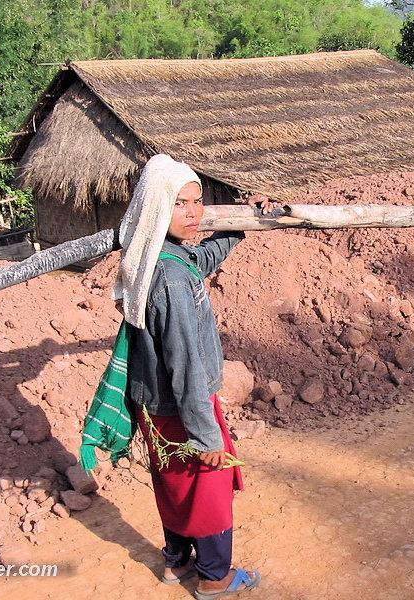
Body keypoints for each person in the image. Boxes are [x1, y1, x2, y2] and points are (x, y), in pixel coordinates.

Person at [112, 154, 268, 599]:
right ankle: (215, 576)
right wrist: (205, 435)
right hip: (183, 407)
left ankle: (177, 561)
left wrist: (241, 223)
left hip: (153, 403)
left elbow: (203, 257)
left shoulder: (153, 255)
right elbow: (186, 366)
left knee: (174, 484)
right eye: (180, 203)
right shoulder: (173, 281)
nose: (194, 212)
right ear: (158, 206)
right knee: (208, 486)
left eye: (197, 201)